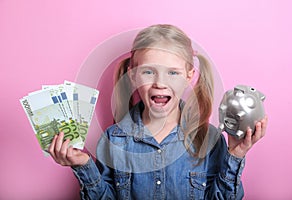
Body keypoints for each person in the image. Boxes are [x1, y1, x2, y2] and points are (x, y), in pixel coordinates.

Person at [49, 24, 268, 199]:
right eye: (148, 71)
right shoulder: (113, 140)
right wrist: (83, 166)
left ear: (188, 76)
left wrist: (235, 155)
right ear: (133, 75)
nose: (159, 83)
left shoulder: (210, 139)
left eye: (172, 73)